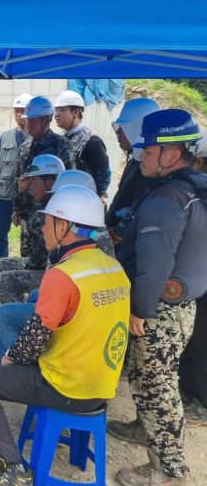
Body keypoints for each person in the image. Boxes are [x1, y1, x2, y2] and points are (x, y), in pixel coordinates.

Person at [0, 185, 131, 486]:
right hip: (102, 387)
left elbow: (33, 338)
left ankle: (12, 469)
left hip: (66, 387)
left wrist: (10, 358)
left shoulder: (63, 275)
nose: (42, 229)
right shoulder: (113, 267)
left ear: (64, 227)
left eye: (48, 221)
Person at [109, 109, 206, 486]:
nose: (141, 156)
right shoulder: (192, 189)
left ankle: (169, 469)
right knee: (147, 379)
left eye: (147, 151)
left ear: (170, 154)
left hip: (160, 310)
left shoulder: (168, 199)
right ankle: (142, 427)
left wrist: (140, 309)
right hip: (179, 306)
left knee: (158, 386)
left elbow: (154, 262)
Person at [0, 169, 98, 362]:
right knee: (33, 295)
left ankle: (19, 366)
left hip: (72, 309)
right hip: (75, 302)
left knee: (5, 315)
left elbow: (54, 273)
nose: (44, 227)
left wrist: (13, 355)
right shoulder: (92, 236)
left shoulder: (69, 253)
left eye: (35, 181)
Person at [0, 154, 64, 304]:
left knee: (5, 280)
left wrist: (28, 267)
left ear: (50, 182)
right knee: (2, 264)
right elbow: (23, 213)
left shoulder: (55, 208)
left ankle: (24, 318)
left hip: (52, 270)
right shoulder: (45, 200)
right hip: (41, 264)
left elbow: (42, 255)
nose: (31, 186)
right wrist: (21, 190)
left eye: (34, 181)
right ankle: (25, 309)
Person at [13, 96, 74, 259]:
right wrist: (17, 208)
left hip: (50, 221)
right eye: (28, 120)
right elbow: (18, 178)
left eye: (32, 121)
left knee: (46, 263)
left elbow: (68, 184)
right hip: (27, 215)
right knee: (27, 261)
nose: (28, 124)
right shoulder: (25, 146)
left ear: (46, 120)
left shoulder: (61, 145)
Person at [179, 129, 207, 427]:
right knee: (196, 340)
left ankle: (199, 403)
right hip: (196, 279)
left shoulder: (192, 193)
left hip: (193, 280)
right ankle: (190, 395)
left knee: (200, 344)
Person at [106, 98, 160, 247]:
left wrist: (116, 234)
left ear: (135, 128)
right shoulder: (135, 159)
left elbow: (139, 209)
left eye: (123, 126)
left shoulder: (149, 168)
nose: (118, 131)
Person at [0, 93, 32, 262]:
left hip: (28, 196)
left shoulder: (37, 138)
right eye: (16, 111)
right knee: (0, 234)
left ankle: (28, 269)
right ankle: (0, 267)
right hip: (4, 193)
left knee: (28, 235)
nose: (19, 115)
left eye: (23, 111)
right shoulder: (5, 136)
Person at [54, 90, 111, 198]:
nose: (56, 115)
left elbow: (104, 176)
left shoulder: (92, 141)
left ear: (75, 112)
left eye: (61, 110)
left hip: (81, 201)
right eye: (56, 110)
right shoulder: (60, 138)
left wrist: (92, 198)